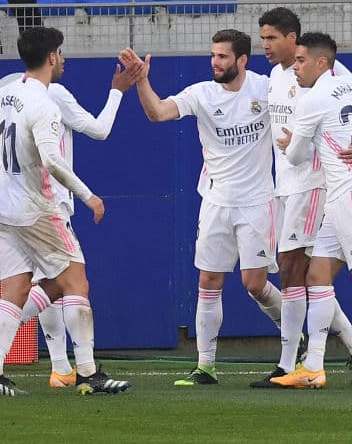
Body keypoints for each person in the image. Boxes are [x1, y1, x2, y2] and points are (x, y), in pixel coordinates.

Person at [0, 26, 132, 396]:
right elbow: (53, 162)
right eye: (60, 53)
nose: (63, 59)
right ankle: (88, 374)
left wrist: (14, 163)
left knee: (15, 289)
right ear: (50, 58)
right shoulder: (46, 105)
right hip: (39, 209)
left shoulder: (6, 94)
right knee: (77, 283)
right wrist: (89, 196)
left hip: (5, 209)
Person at [119, 30, 284, 387]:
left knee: (255, 285)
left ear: (241, 60)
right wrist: (142, 82)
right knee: (208, 281)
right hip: (215, 202)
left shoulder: (266, 88)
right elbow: (158, 113)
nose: (215, 62)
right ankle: (205, 366)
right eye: (213, 55)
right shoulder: (202, 94)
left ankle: (293, 332)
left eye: (223, 57)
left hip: (258, 202)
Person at [250, 8, 352, 388]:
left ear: (293, 39)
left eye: (272, 38)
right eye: (262, 38)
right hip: (285, 184)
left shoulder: (333, 73)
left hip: (314, 183)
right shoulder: (275, 77)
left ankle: (290, 364)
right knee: (305, 273)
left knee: (293, 267)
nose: (266, 46)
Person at [271, 32, 352, 391]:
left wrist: (288, 143)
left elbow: (297, 156)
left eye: (301, 61)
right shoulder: (351, 84)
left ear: (320, 63)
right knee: (317, 276)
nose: (295, 68)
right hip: (344, 193)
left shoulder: (311, 99)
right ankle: (313, 365)